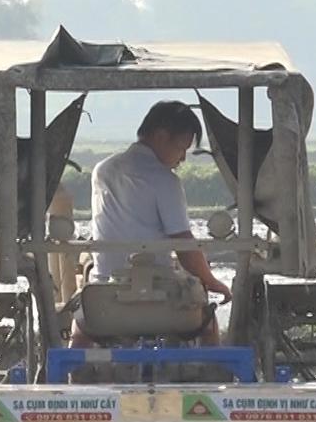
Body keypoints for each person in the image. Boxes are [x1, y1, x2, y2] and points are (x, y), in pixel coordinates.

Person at [77, 100, 231, 345]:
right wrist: (212, 281)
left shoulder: (103, 170)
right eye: (181, 148)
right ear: (160, 136)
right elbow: (184, 245)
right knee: (208, 323)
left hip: (105, 295)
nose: (182, 158)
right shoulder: (165, 181)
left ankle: (68, 376)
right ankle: (213, 376)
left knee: (82, 324)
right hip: (159, 298)